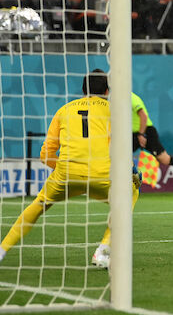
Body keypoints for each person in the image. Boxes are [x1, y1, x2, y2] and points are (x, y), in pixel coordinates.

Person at [0, 71, 140, 267]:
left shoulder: (64, 110)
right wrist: (132, 172)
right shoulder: (114, 111)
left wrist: (66, 168)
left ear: (83, 90)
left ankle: (2, 249)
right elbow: (121, 150)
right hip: (102, 176)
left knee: (39, 204)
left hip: (66, 174)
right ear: (108, 90)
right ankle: (102, 251)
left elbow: (45, 154)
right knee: (130, 194)